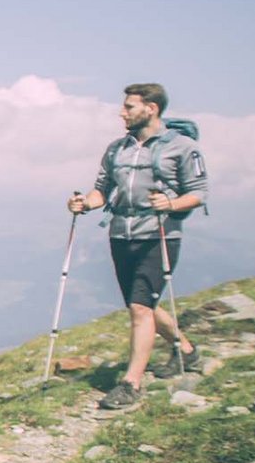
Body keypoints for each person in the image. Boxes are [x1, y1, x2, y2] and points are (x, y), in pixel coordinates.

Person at [69, 83, 209, 409]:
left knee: (140, 308)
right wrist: (83, 204)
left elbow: (199, 192)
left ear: (151, 108)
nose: (122, 112)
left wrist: (171, 204)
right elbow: (101, 190)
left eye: (129, 107)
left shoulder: (182, 147)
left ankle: (131, 384)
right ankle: (186, 351)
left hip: (159, 236)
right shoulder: (117, 149)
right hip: (121, 234)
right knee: (141, 303)